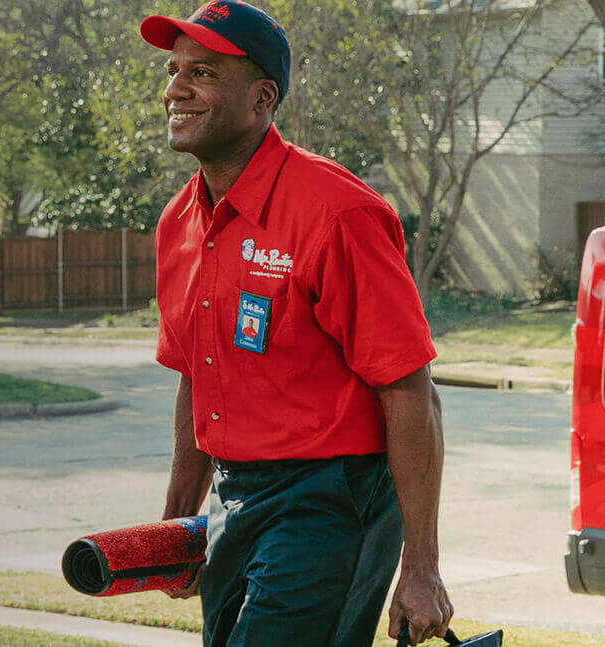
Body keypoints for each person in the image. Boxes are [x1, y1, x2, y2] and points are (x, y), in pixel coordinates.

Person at [139, 2, 454, 645]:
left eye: (201, 73)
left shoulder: (338, 214)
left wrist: (420, 566)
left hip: (331, 497)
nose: (175, 88)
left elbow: (412, 391)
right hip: (236, 495)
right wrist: (176, 524)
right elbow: (197, 380)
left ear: (261, 98)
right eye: (173, 71)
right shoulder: (179, 224)